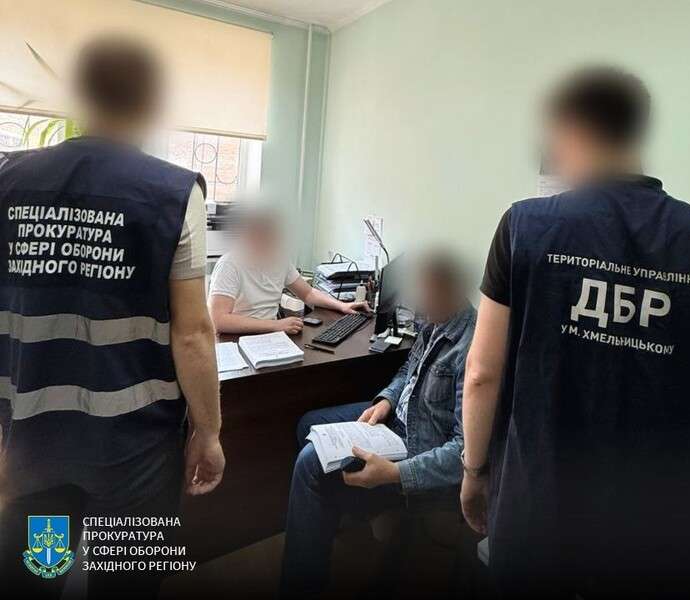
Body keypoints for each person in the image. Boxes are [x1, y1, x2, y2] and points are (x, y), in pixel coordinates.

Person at [460, 66, 690, 597]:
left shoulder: (524, 226)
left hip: (538, 525)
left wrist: (473, 472)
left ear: (567, 129)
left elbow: (481, 374)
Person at [0, 36, 225, 598]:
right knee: (127, 584)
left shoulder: (9, 180)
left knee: (37, 578)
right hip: (135, 454)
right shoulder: (173, 193)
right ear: (151, 102)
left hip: (33, 441)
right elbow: (193, 334)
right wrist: (208, 432)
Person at [280, 251, 476, 596]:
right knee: (308, 424)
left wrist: (394, 474)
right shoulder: (436, 319)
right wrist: (386, 400)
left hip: (415, 448)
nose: (420, 305)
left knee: (310, 464)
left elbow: (463, 452)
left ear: (453, 292)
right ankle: (335, 514)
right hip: (398, 418)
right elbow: (408, 370)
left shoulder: (471, 348)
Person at [208, 209, 369, 335]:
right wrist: (275, 325)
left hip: (270, 335)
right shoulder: (230, 264)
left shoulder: (279, 258)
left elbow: (308, 293)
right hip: (236, 338)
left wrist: (342, 305)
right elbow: (219, 320)